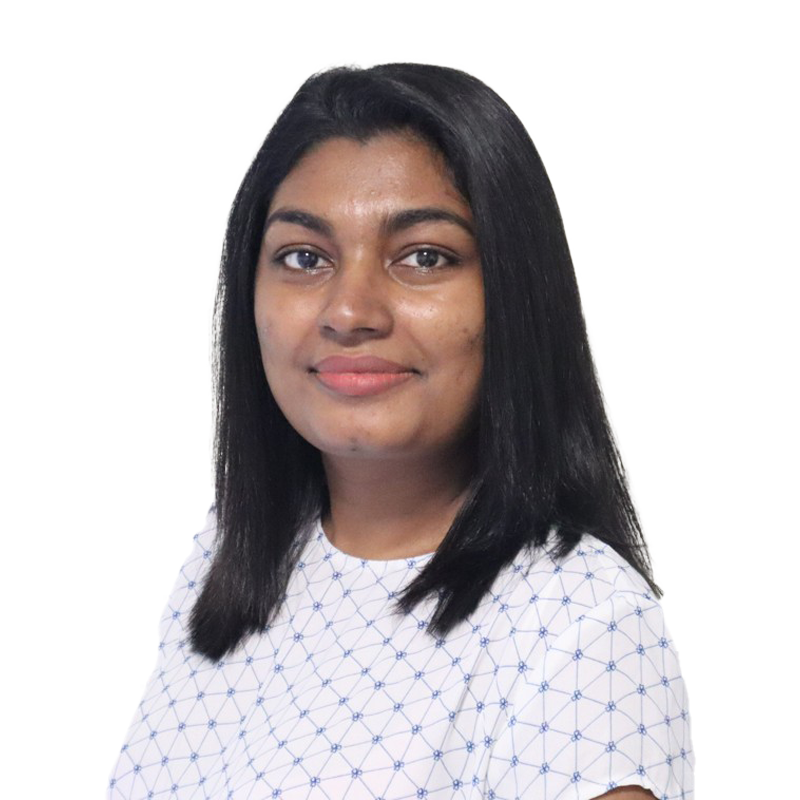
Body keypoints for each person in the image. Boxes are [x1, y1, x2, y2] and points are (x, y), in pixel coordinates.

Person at [105, 61, 696, 799]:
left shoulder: (582, 630)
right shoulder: (227, 555)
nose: (350, 311)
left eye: (424, 256)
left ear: (516, 295)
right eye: (304, 257)